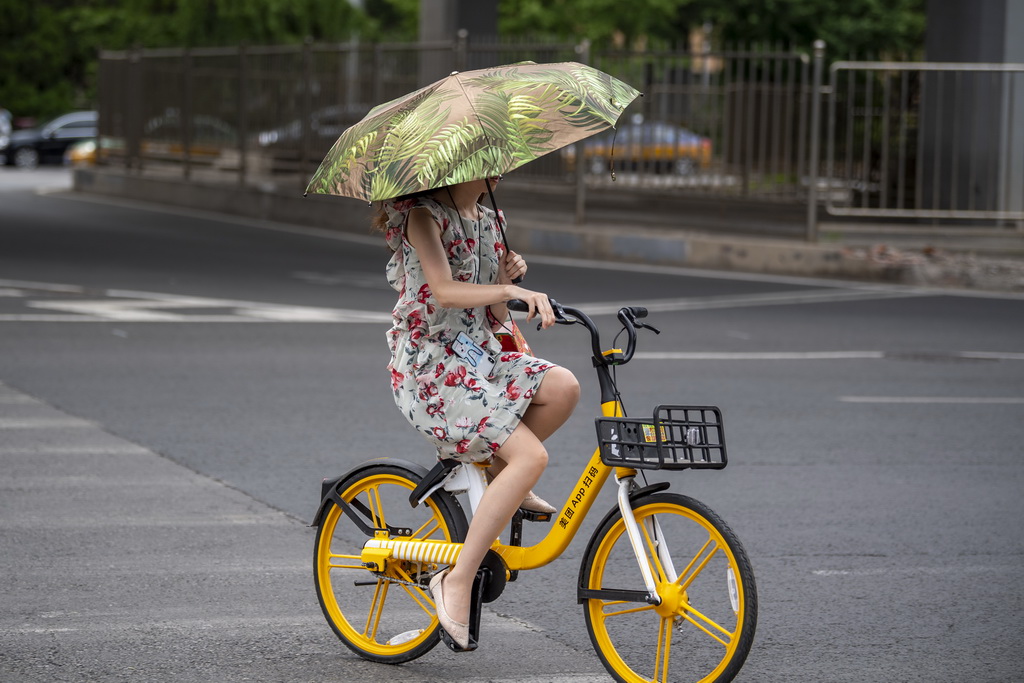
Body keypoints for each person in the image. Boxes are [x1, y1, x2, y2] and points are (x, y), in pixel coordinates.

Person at [374, 175, 580, 650]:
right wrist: (513, 292)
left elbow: (495, 321)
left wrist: (508, 282)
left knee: (564, 387)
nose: (499, 172)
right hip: (431, 368)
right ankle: (457, 579)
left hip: (478, 357)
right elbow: (444, 292)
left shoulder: (491, 221)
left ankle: (499, 475)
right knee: (532, 459)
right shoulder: (423, 216)